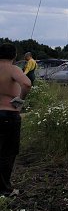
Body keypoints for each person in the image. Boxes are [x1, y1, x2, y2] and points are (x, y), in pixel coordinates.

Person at [0, 43, 32, 196]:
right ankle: (4, 189)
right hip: (8, 115)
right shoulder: (13, 69)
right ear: (14, 56)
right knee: (7, 153)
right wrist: (20, 100)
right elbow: (26, 83)